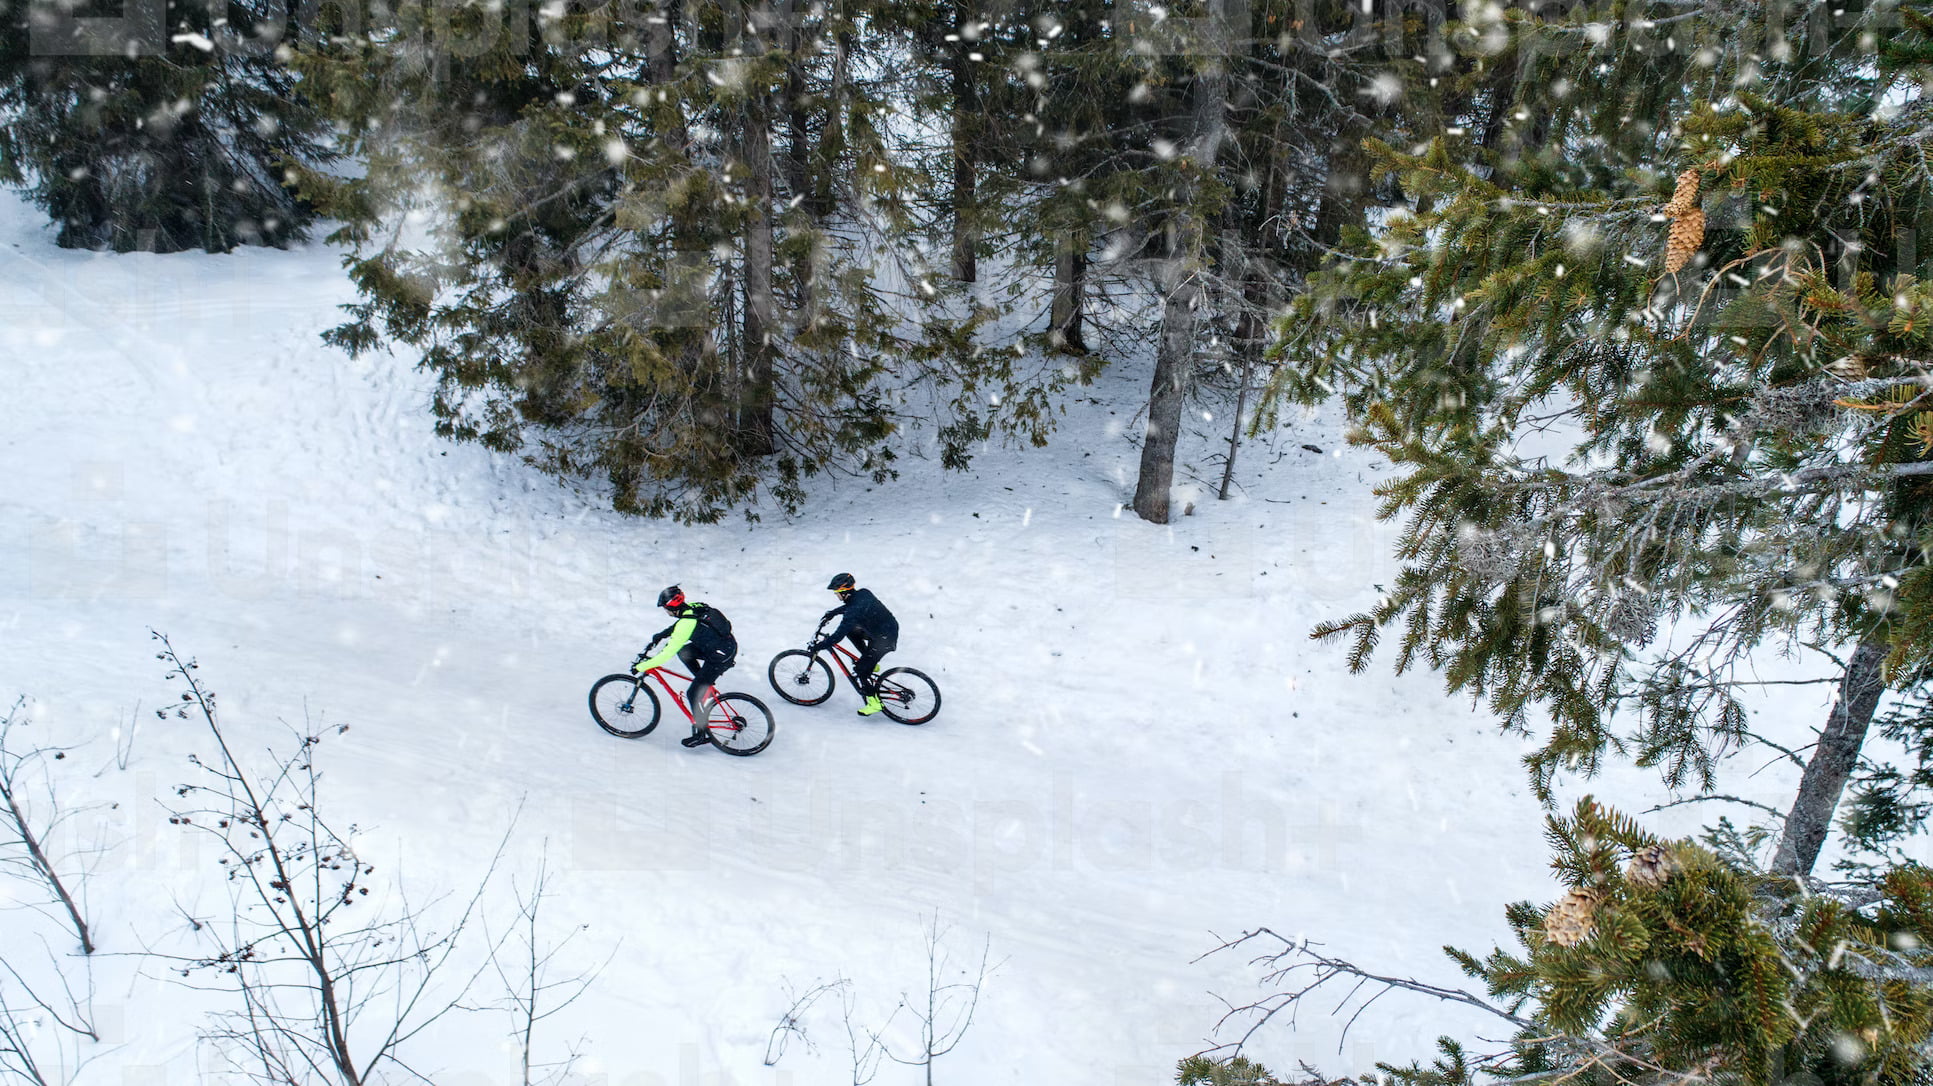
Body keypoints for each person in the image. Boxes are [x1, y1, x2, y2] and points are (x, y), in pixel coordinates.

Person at [635, 585, 738, 748]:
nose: (664, 611)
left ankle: (701, 734)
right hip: (723, 646)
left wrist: (641, 667)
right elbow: (680, 625)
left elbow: (666, 654)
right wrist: (661, 636)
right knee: (685, 652)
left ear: (671, 607)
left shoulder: (685, 624)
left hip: (720, 656)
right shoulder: (692, 608)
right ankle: (704, 684)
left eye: (664, 608)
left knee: (692, 693)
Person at [809, 572, 899, 716]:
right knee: (852, 631)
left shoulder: (853, 611)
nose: (835, 595)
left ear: (844, 592)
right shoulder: (863, 593)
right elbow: (853, 606)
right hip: (884, 630)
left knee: (861, 671)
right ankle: (870, 662)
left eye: (836, 593)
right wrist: (834, 612)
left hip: (884, 639)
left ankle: (874, 703)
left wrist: (820, 646)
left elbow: (838, 636)